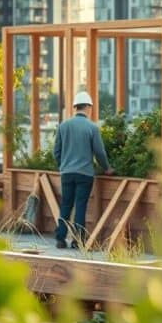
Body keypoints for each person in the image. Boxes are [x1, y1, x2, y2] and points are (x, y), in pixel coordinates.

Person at [52, 91, 113, 249]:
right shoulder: (92, 127)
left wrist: (63, 165)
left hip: (66, 173)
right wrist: (107, 168)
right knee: (80, 206)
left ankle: (60, 239)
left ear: (75, 107)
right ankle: (77, 241)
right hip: (85, 174)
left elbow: (56, 151)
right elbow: (99, 152)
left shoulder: (63, 126)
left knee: (66, 205)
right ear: (87, 107)